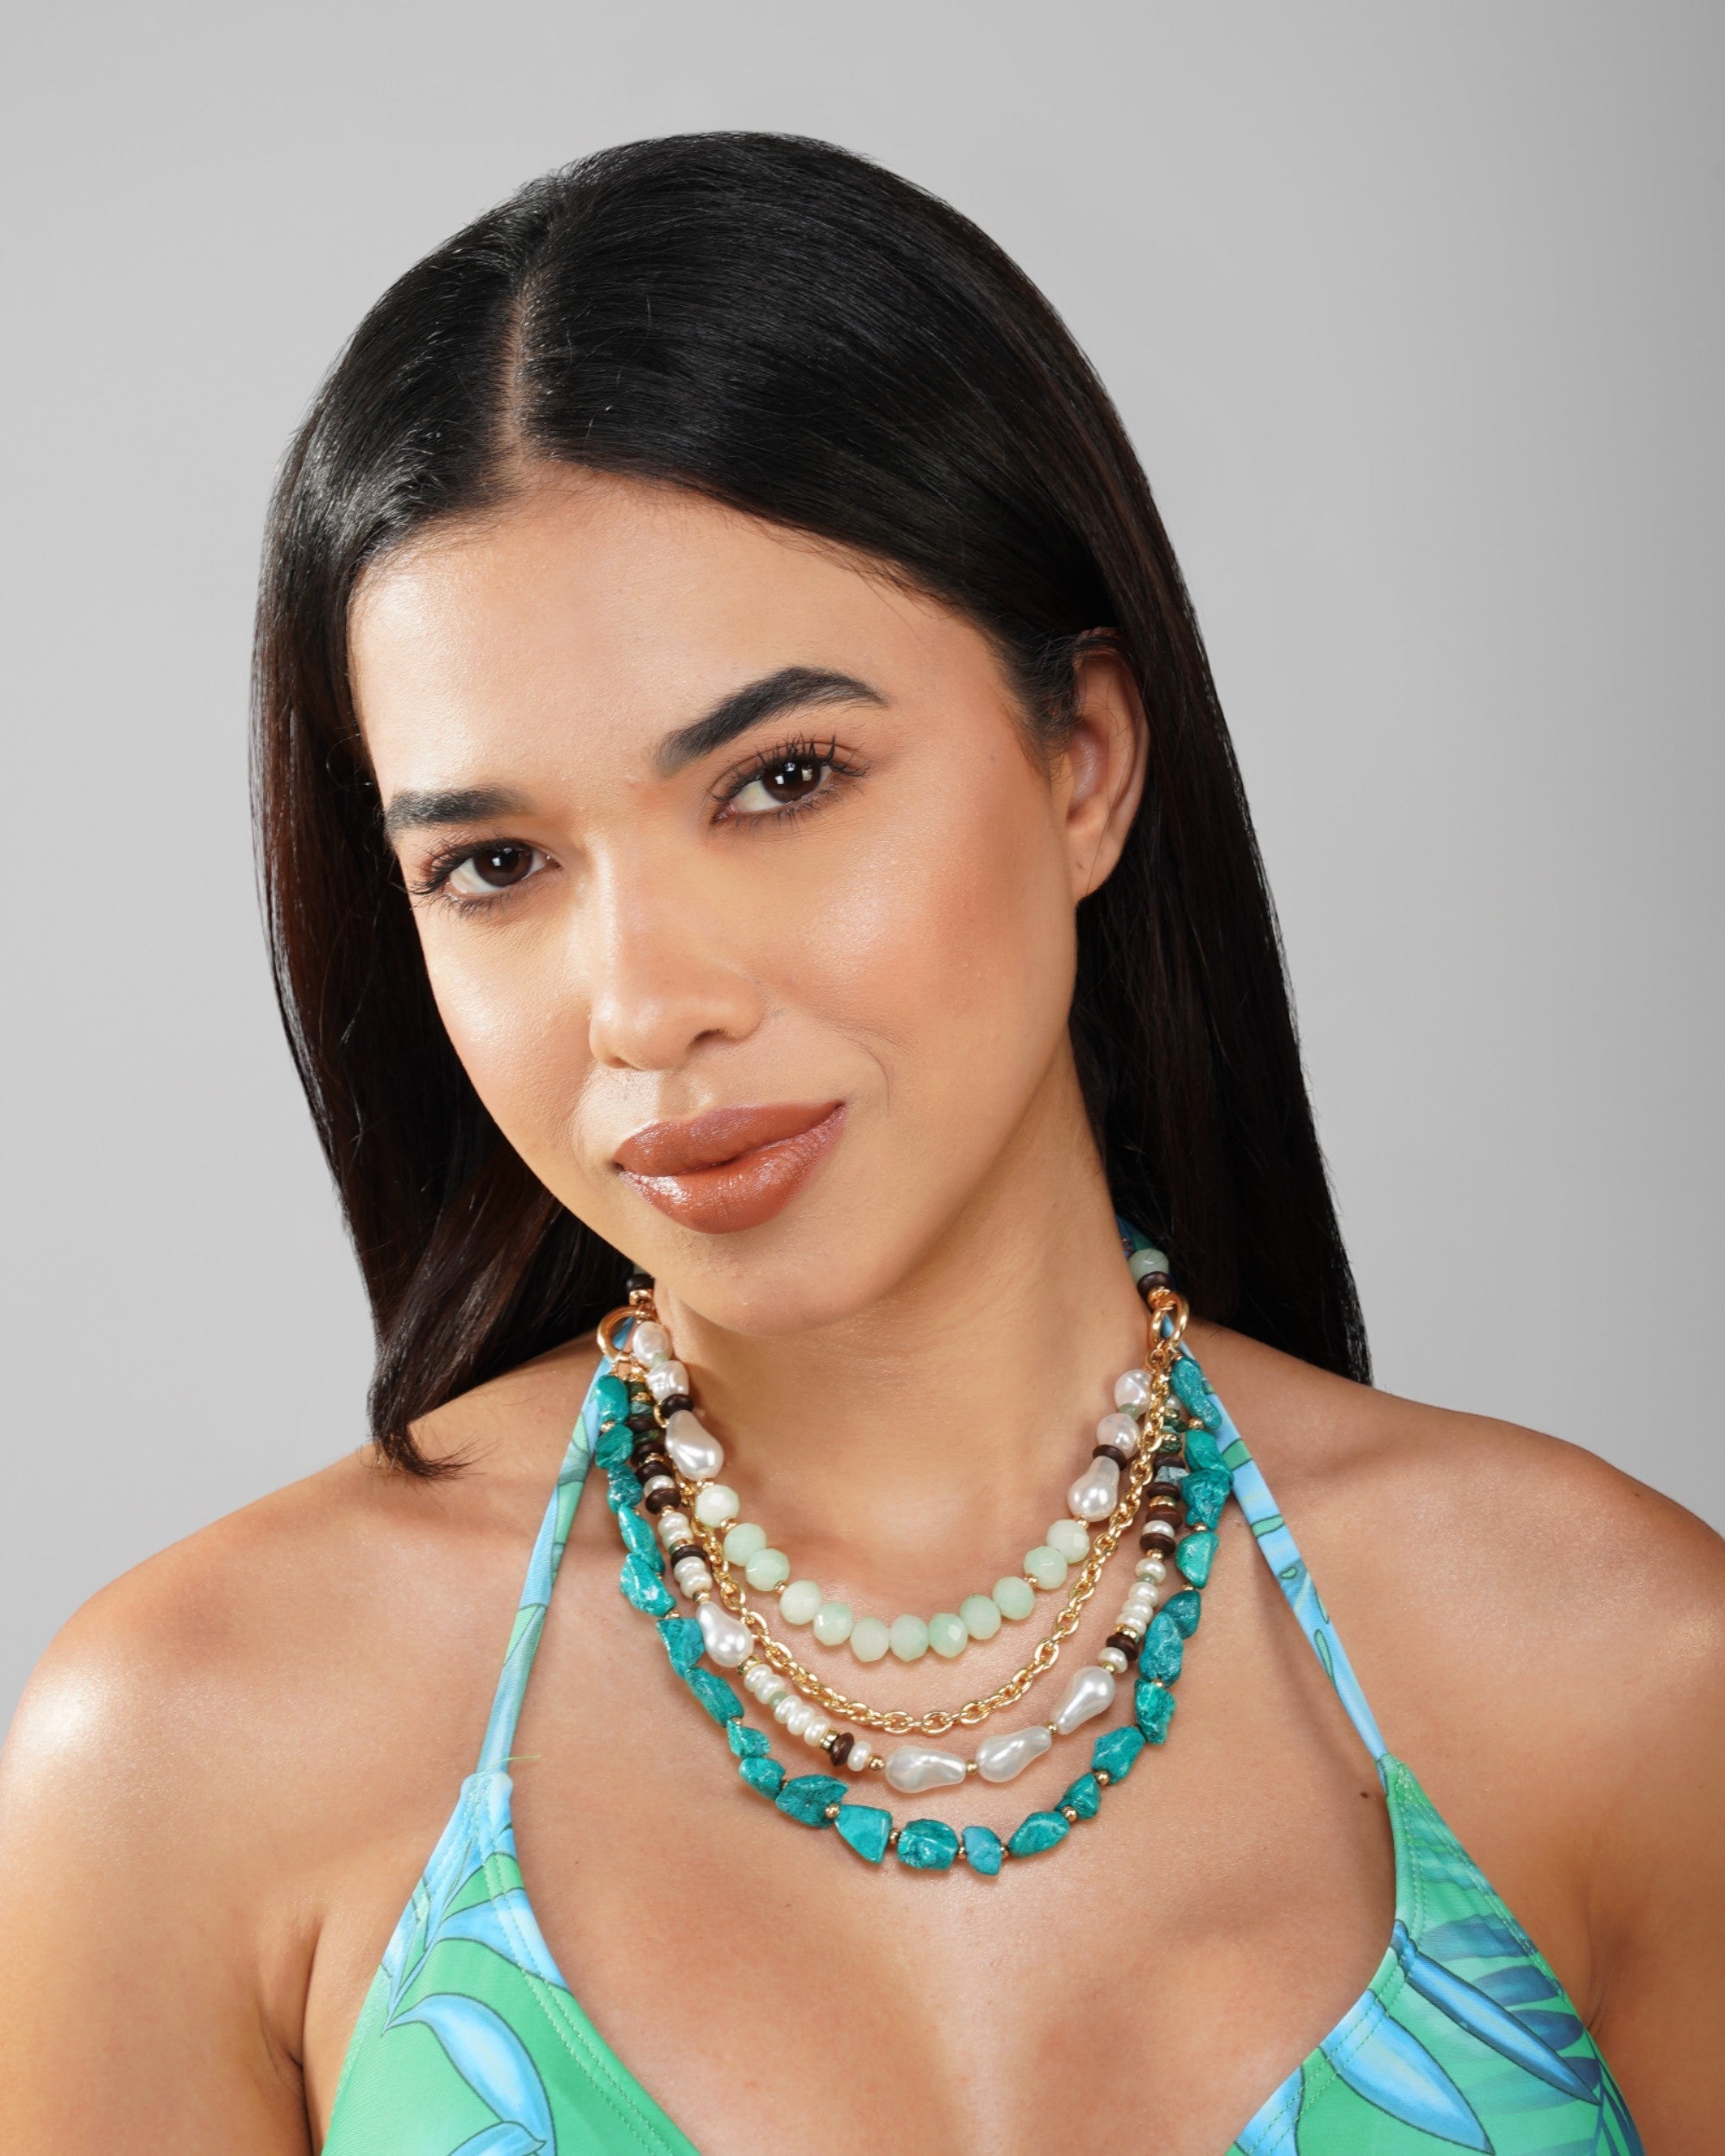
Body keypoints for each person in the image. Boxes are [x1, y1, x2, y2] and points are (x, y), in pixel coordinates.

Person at [0, 132, 1716, 2155]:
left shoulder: (1619, 1677)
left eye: (782, 777)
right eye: (496, 863)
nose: (647, 1000)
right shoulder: (195, 1752)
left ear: (1083, 760)